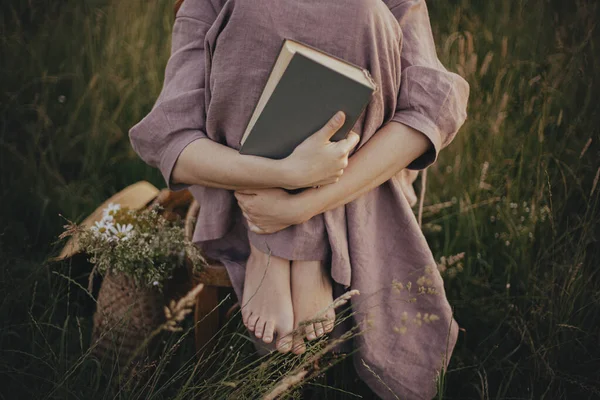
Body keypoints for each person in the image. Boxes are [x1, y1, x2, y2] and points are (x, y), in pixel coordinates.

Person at [129, 0, 469, 398]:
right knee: (256, 11)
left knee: (362, 12)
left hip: (349, 182)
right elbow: (172, 138)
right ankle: (276, 250)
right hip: (248, 199)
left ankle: (297, 249)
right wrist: (287, 174)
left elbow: (429, 111)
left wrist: (303, 206)